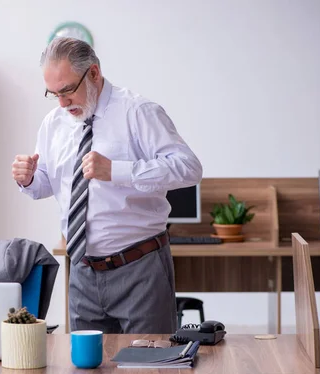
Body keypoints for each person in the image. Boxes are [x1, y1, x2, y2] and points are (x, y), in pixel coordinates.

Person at [11, 37, 203, 334]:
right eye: (53, 93)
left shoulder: (137, 112)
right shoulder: (54, 123)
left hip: (140, 268)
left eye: (68, 91)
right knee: (88, 372)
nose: (62, 103)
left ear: (94, 73)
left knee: (148, 371)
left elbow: (189, 168)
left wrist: (117, 170)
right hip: (83, 272)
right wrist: (29, 179)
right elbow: (49, 183)